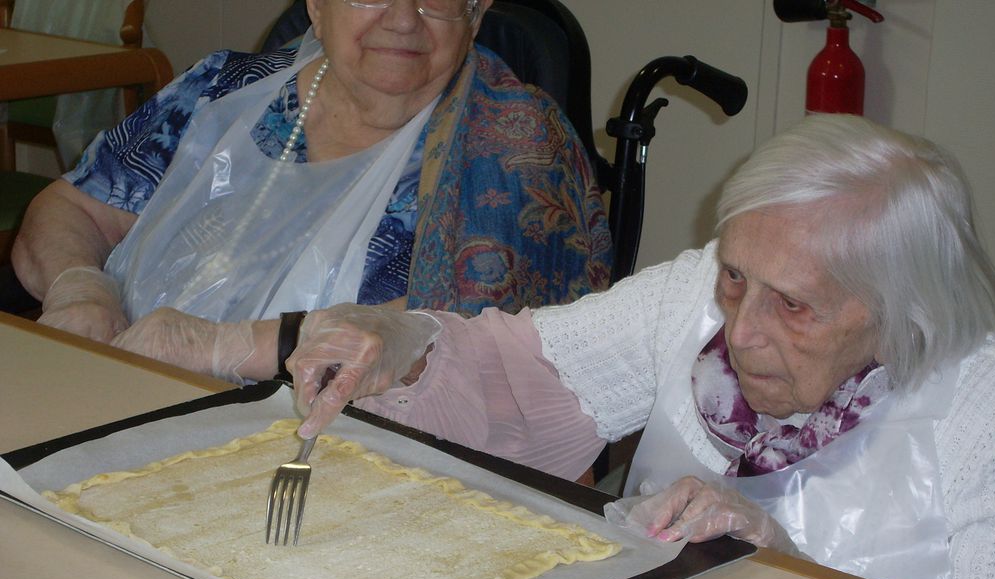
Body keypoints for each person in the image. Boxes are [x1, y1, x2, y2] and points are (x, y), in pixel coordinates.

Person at [96, 115, 995, 579]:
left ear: (902, 309)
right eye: (736, 277)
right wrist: (399, 335)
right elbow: (521, 374)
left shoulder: (991, 401)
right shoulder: (692, 297)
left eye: (795, 305)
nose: (738, 328)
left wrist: (788, 570)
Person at [10, 0, 611, 363]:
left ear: (476, 16)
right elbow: (71, 209)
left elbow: (471, 332)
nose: (403, 20)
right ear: (317, 6)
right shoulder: (221, 90)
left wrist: (226, 349)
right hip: (128, 385)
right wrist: (80, 288)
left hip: (344, 456)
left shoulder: (514, 143)